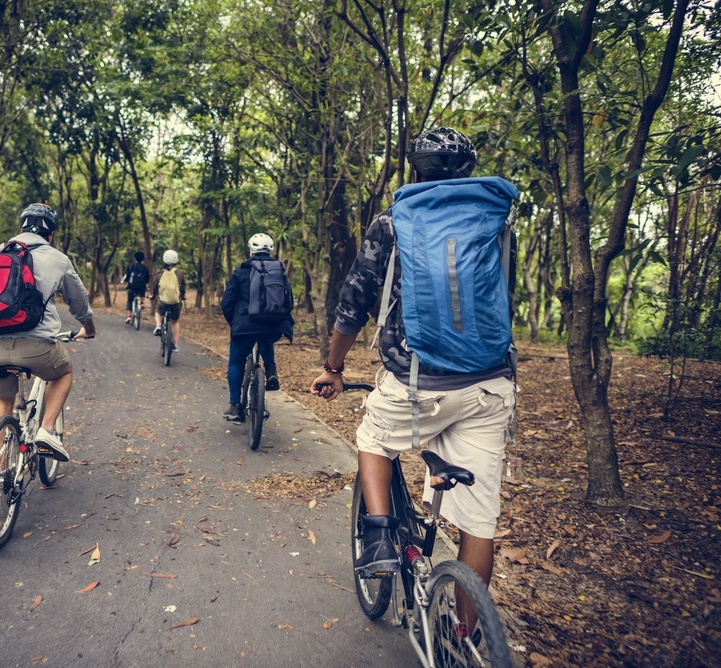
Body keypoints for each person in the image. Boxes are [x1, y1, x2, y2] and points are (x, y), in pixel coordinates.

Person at [310, 128, 517, 616]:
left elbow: (354, 302)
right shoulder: (496, 220)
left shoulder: (394, 220)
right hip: (488, 384)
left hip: (417, 382)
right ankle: (466, 640)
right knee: (478, 526)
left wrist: (333, 367)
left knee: (373, 437)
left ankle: (379, 538)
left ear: (415, 171)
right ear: (467, 172)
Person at [0, 203, 96, 462]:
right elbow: (79, 303)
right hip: (37, 347)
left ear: (20, 228)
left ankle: (0, 469)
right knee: (63, 371)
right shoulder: (57, 258)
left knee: (2, 399)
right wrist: (88, 329)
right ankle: (47, 429)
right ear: (51, 234)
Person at [220, 233, 294, 422]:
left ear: (251, 251)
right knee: (265, 336)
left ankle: (236, 407)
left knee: (236, 361)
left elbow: (226, 303)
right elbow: (289, 301)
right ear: (270, 250)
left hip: (245, 326)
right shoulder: (279, 270)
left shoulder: (240, 271)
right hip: (274, 325)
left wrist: (235, 324)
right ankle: (270, 372)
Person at [150, 249, 185, 351]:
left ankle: (158, 325)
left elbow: (156, 284)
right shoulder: (180, 272)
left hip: (163, 301)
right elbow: (182, 287)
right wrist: (182, 296)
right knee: (175, 321)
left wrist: (153, 294)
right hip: (175, 302)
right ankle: (176, 345)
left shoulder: (159, 272)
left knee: (157, 312)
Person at [122, 251, 149, 324]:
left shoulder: (130, 267)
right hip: (141, 288)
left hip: (132, 287)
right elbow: (147, 279)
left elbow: (127, 277)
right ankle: (142, 303)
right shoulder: (145, 268)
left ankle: (128, 316)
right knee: (143, 290)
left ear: (135, 259)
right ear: (142, 259)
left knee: (129, 300)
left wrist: (124, 281)